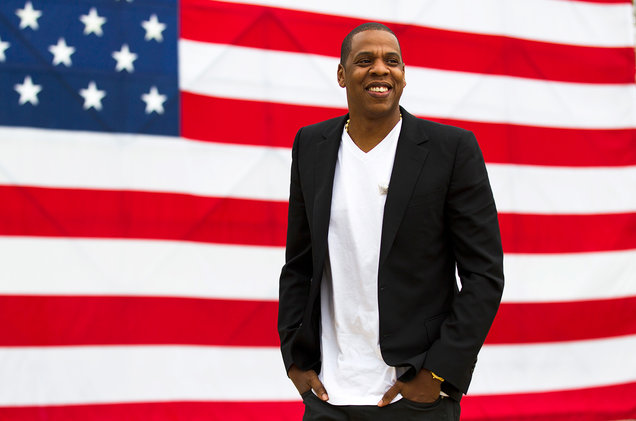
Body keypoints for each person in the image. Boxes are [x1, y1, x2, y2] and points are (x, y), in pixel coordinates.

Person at [278, 22, 504, 420]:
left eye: (392, 61)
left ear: (402, 74)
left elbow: (483, 275)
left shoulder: (451, 149)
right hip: (329, 393)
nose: (381, 69)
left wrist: (438, 373)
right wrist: (294, 359)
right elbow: (299, 264)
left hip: (414, 394)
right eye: (365, 60)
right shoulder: (311, 145)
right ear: (342, 74)